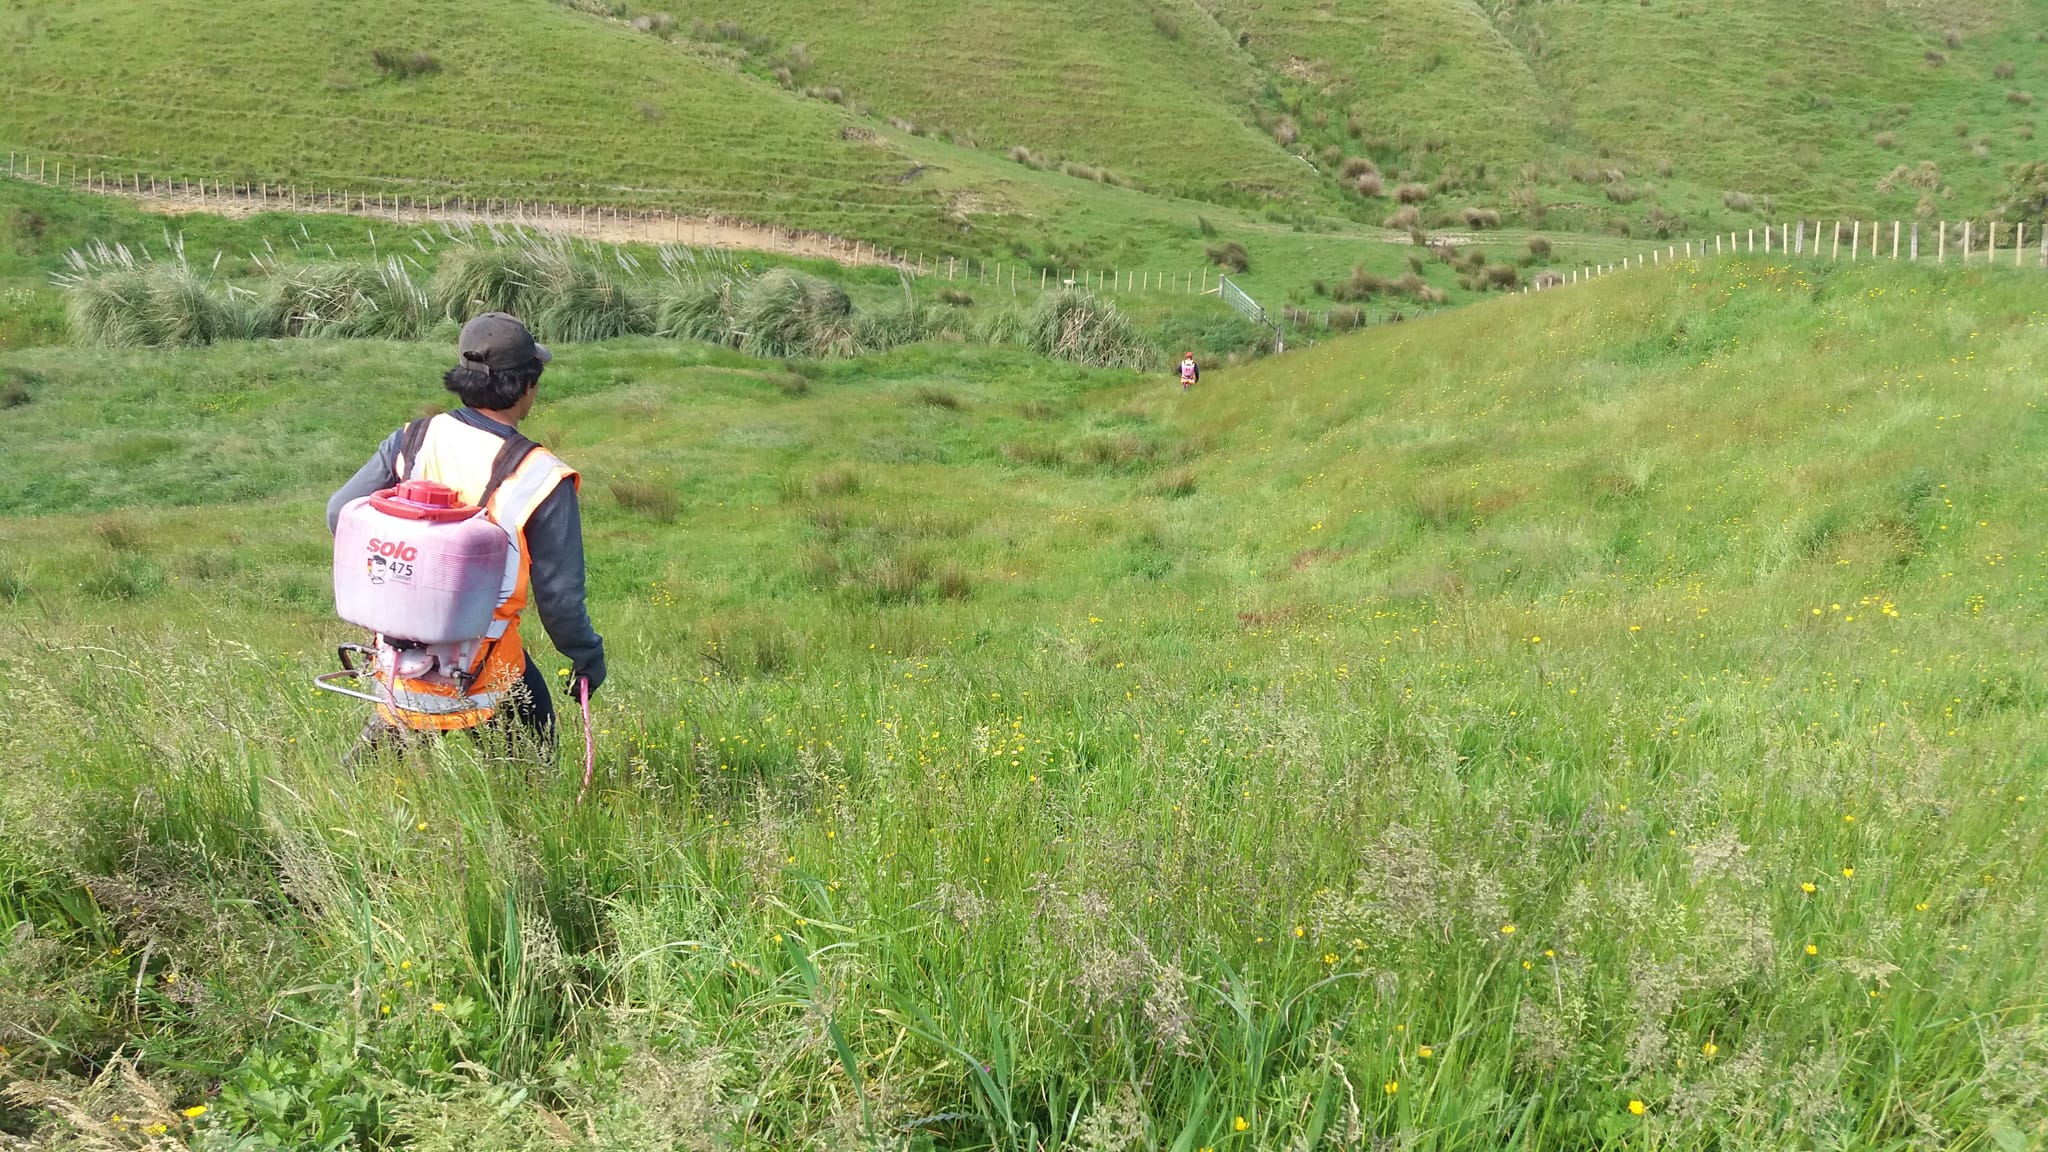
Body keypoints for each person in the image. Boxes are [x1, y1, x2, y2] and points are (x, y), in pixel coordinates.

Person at [326, 312, 605, 753]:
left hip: (399, 659)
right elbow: (560, 600)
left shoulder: (412, 440)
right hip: (488, 673)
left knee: (377, 765)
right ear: (529, 384)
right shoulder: (541, 476)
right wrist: (585, 655)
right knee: (537, 769)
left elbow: (339, 514)